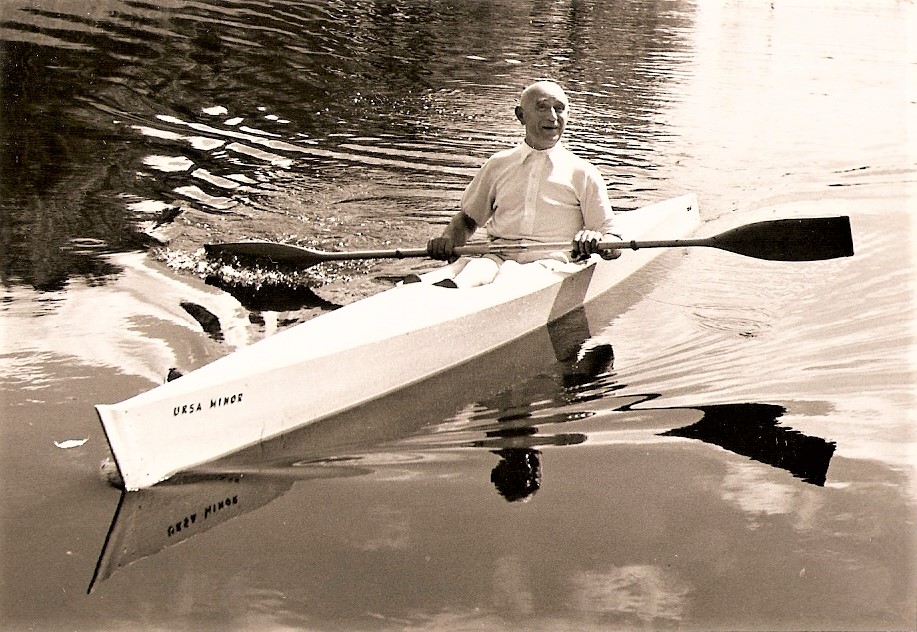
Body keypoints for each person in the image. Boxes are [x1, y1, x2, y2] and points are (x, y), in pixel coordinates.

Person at [423, 80, 622, 288]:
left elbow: (613, 241)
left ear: (568, 116)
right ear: (521, 115)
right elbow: (467, 221)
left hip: (550, 265)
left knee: (509, 277)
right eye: (542, 107)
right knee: (472, 272)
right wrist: (448, 240)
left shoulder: (583, 172)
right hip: (495, 258)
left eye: (559, 109)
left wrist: (597, 239)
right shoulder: (497, 164)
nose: (552, 117)